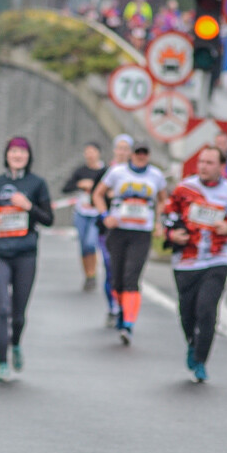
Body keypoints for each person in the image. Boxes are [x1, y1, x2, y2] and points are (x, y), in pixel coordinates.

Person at [163, 146, 227, 383]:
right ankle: (192, 344)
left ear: (221, 167)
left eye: (210, 163)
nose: (203, 166)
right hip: (186, 261)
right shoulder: (185, 188)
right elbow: (168, 216)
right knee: (187, 313)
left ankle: (201, 360)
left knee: (206, 310)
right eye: (201, 162)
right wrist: (171, 235)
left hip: (217, 259)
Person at [0, 136, 53, 382]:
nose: (18, 155)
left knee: (18, 314)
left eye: (22, 152)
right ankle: (2, 363)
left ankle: (17, 344)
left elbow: (48, 219)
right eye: (13, 151)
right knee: (3, 309)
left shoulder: (37, 184)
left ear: (29, 156)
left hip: (26, 254)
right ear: (7, 155)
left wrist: (28, 206)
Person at [92, 140, 168, 345]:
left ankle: (128, 323)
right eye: (137, 153)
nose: (141, 157)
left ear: (149, 155)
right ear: (131, 155)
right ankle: (122, 310)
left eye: (145, 153)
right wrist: (105, 215)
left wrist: (159, 221)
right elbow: (97, 194)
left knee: (131, 277)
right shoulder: (117, 172)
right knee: (116, 279)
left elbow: (162, 200)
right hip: (118, 230)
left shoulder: (156, 176)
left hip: (141, 233)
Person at [98, 134, 133, 326]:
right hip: (108, 230)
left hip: (131, 229)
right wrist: (105, 214)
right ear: (114, 150)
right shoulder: (106, 172)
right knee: (110, 268)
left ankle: (124, 307)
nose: (122, 152)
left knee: (127, 271)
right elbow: (96, 195)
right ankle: (113, 306)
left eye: (125, 148)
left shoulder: (138, 174)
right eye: (119, 148)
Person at [62, 141, 105, 291]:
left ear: (98, 153)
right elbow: (66, 188)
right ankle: (88, 275)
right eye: (87, 152)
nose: (90, 155)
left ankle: (93, 273)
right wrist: (80, 184)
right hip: (81, 212)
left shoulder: (105, 171)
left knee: (90, 243)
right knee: (83, 246)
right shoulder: (80, 171)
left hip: (96, 213)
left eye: (93, 151)